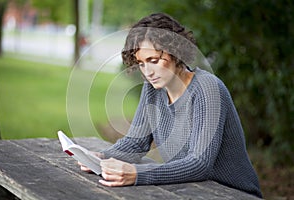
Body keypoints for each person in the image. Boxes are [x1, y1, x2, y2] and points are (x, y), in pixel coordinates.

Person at [78, 13, 262, 198]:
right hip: (190, 191)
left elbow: (199, 164)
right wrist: (101, 157)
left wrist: (137, 174)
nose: (148, 72)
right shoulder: (152, 89)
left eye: (154, 61)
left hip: (233, 193)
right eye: (141, 63)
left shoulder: (207, 89)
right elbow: (136, 142)